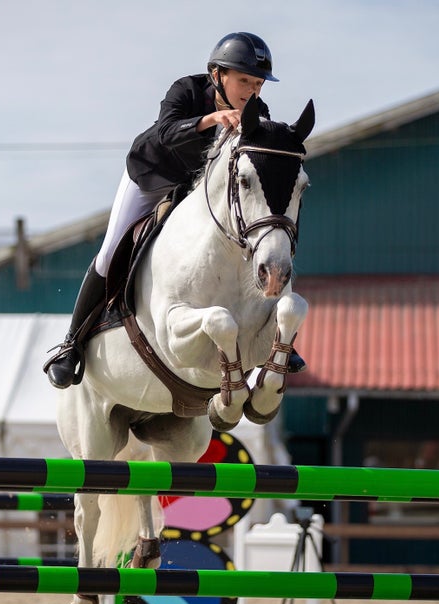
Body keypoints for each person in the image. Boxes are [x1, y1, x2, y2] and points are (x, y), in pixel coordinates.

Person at [44, 32, 305, 389]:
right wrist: (212, 120)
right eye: (244, 80)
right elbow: (166, 132)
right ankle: (71, 345)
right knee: (109, 254)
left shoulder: (256, 114)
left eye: (258, 83)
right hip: (151, 178)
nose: (252, 91)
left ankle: (273, 335)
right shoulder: (185, 90)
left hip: (197, 194)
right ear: (217, 74)